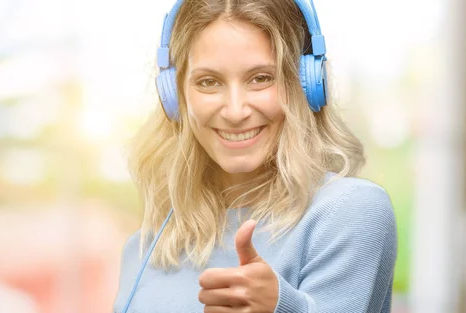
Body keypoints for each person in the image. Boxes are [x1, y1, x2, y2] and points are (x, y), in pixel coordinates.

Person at [113, 0, 397, 312]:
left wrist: (281, 307)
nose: (235, 111)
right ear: (174, 96)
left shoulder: (349, 210)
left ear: (306, 84)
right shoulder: (146, 249)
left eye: (261, 78)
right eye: (209, 82)